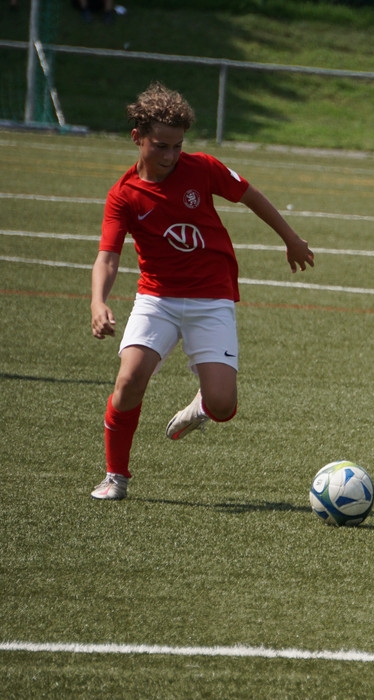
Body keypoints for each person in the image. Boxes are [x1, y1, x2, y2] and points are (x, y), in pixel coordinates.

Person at [89, 81, 315, 500]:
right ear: (137, 137)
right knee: (129, 380)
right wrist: (98, 301)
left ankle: (200, 407)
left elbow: (250, 196)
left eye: (177, 146)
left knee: (224, 406)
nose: (171, 156)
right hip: (157, 299)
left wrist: (291, 238)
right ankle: (115, 477)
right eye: (161, 146)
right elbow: (108, 256)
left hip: (211, 297)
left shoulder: (202, 168)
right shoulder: (123, 196)